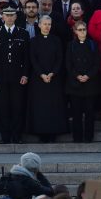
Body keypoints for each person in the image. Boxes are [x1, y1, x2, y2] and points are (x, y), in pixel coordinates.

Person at [0, 7, 30, 144]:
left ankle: (17, 136)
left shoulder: (23, 33)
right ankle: (5, 136)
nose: (10, 18)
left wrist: (25, 75)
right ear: (2, 17)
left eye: (12, 15)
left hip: (18, 76)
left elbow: (26, 57)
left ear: (16, 17)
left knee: (17, 107)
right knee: (3, 107)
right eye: (7, 15)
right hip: (0, 76)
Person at [28, 15, 67, 143]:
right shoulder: (33, 41)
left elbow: (59, 58)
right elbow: (33, 59)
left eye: (49, 24)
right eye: (44, 24)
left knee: (53, 107)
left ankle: (53, 133)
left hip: (53, 79)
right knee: (40, 107)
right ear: (39, 25)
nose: (47, 26)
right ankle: (41, 133)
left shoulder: (56, 40)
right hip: (38, 79)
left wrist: (52, 73)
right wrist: (42, 74)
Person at [65, 20, 100, 143]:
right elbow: (68, 64)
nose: (82, 32)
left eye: (84, 29)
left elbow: (97, 63)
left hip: (90, 84)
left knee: (90, 113)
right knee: (76, 113)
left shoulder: (92, 44)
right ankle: (77, 137)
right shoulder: (71, 45)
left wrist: (88, 76)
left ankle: (89, 137)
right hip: (75, 85)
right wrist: (77, 76)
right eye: (79, 30)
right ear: (75, 31)